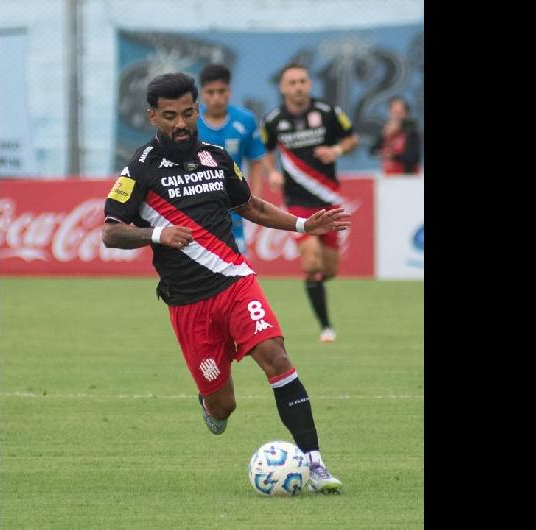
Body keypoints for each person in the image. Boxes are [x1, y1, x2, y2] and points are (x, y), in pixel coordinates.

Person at [103, 72, 350, 493]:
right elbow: (111, 231)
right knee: (223, 405)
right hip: (188, 304)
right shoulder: (140, 169)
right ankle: (210, 406)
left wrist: (302, 223)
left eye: (187, 113)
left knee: (277, 357)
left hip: (236, 283)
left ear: (197, 109)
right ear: (152, 117)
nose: (180, 124)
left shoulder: (217, 157)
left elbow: (250, 205)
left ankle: (315, 462)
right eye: (169, 116)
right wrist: (158, 235)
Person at [261, 63, 359, 344]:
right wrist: (273, 172)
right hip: (297, 201)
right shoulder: (273, 120)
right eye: (291, 82)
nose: (298, 87)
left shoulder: (328, 113)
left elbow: (352, 138)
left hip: (328, 198)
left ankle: (314, 285)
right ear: (282, 88)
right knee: (311, 260)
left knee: (329, 269)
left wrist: (337, 149)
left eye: (302, 81)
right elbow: (265, 151)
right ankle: (326, 327)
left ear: (310, 84)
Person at [196, 64, 272, 255]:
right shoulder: (190, 121)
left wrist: (252, 198)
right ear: (202, 93)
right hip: (196, 204)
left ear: (229, 91)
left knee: (238, 268)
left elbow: (255, 160)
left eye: (221, 91)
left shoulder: (245, 120)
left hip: (232, 205)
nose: (216, 98)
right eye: (210, 92)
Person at [369, 96, 421, 175]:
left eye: (399, 112)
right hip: (388, 176)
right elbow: (372, 151)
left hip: (407, 178)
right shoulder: (386, 131)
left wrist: (394, 156)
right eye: (393, 112)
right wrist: (384, 135)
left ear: (406, 114)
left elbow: (413, 157)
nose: (396, 116)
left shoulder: (411, 131)